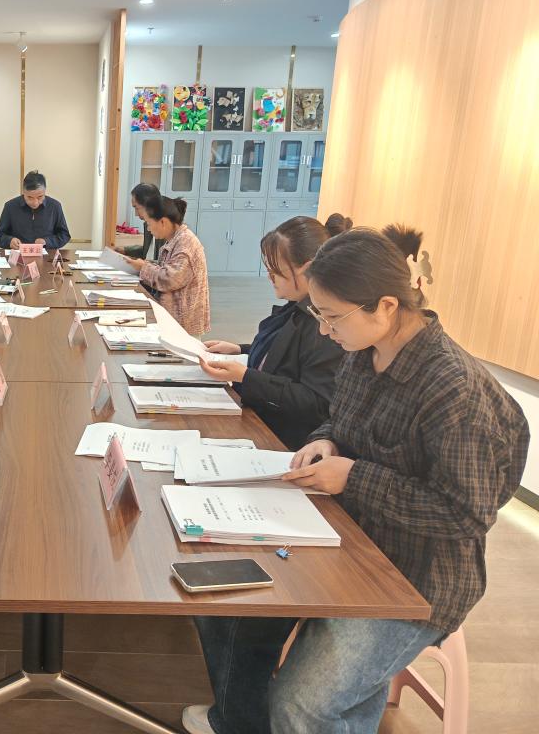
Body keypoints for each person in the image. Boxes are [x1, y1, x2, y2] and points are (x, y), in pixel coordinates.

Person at [182, 225, 529, 734]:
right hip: (348, 537)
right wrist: (326, 442)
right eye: (319, 315)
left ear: (386, 306)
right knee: (224, 602)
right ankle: (241, 722)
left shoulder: (453, 389)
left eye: (332, 317)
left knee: (303, 704)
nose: (324, 331)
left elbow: (464, 514)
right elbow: (337, 420)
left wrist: (354, 477)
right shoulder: (363, 352)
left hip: (416, 578)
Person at [196, 215, 349, 449]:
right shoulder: (296, 306)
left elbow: (316, 402)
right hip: (262, 417)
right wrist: (240, 349)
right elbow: (281, 352)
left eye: (276, 270)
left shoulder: (323, 326)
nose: (269, 276)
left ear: (307, 269)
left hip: (282, 438)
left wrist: (246, 377)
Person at [124, 195, 210, 336]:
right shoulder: (175, 239)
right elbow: (166, 267)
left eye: (149, 223)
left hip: (183, 325)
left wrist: (143, 267)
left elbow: (170, 279)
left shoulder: (185, 244)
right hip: (174, 319)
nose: (149, 229)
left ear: (163, 222)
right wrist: (143, 265)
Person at [0, 170, 71, 250]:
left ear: (45, 191)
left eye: (40, 197)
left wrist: (47, 241)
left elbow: (64, 235)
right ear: (23, 192)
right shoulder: (10, 206)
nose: (35, 202)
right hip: (18, 255)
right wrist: (9, 241)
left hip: (47, 255)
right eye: (30, 197)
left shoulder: (55, 206)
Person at [117, 182, 164, 261]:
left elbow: (166, 263)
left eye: (136, 208)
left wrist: (142, 265)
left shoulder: (166, 228)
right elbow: (147, 251)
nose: (136, 214)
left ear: (148, 205)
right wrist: (125, 250)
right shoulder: (148, 224)